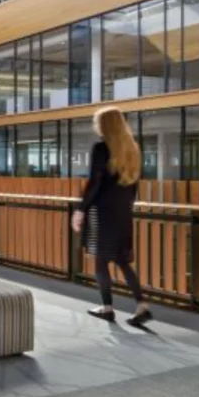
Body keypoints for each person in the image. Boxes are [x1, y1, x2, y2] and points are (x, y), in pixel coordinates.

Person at [71, 106, 152, 327]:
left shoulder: (101, 148)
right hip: (123, 212)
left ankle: (107, 308)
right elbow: (133, 186)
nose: (95, 125)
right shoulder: (132, 149)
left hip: (102, 211)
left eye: (97, 122)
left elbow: (95, 183)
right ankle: (142, 305)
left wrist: (81, 209)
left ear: (105, 125)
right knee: (122, 261)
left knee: (100, 261)